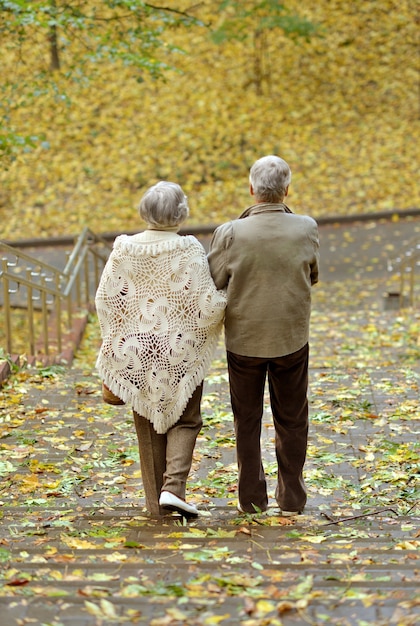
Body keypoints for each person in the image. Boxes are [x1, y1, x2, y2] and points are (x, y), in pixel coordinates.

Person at [95, 181, 227, 517]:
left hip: (136, 349)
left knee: (148, 426)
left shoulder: (124, 249)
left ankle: (157, 508)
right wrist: (228, 300)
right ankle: (174, 488)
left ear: (145, 212)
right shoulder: (189, 249)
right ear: (181, 213)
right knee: (186, 419)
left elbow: (106, 299)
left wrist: (116, 339)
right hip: (180, 348)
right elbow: (207, 305)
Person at [208, 155, 319, 516]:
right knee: (292, 418)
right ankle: (292, 500)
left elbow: (215, 279)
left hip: (244, 341)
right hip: (290, 337)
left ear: (251, 189)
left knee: (247, 419)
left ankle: (252, 501)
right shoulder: (305, 227)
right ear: (286, 189)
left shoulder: (230, 232)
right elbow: (312, 274)